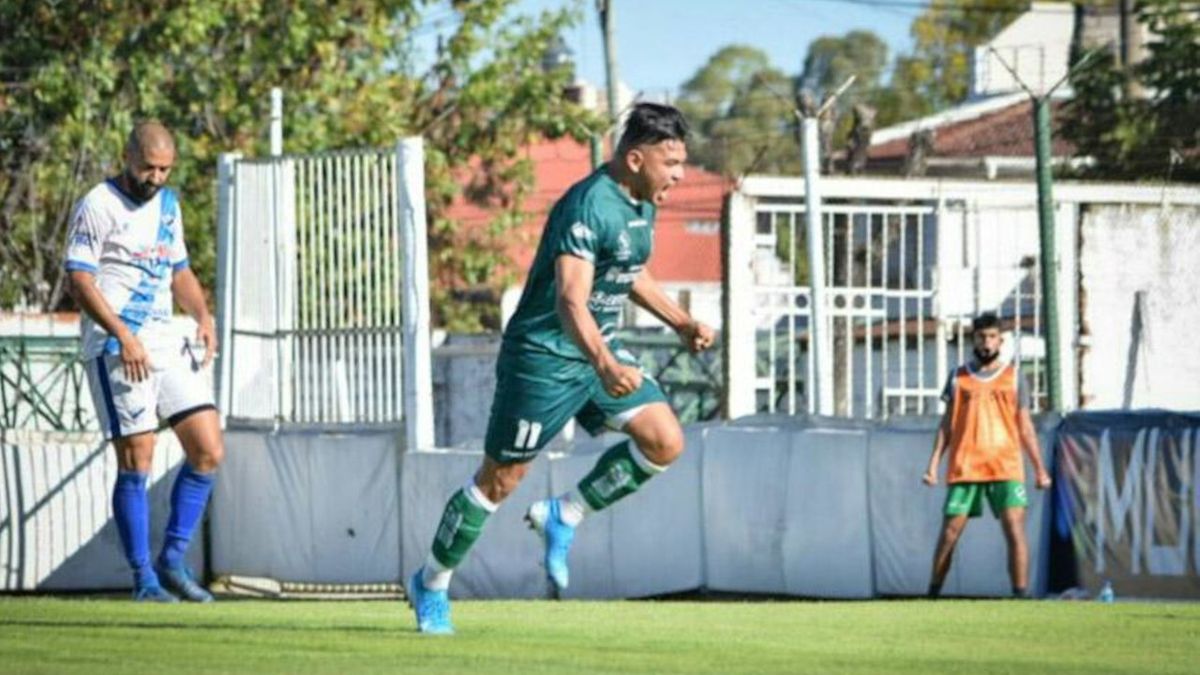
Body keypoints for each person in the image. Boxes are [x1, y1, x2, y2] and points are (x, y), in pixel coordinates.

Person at [408, 103, 714, 634]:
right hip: (545, 358)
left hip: (598, 350)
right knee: (500, 481)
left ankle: (564, 514)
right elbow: (572, 302)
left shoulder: (643, 202)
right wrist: (606, 363)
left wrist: (680, 321)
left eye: (682, 162)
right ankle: (431, 582)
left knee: (664, 440)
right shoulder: (586, 205)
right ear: (636, 158)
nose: (679, 174)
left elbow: (628, 269)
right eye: (671, 162)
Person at [64, 121, 224, 603]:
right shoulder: (99, 204)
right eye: (148, 167)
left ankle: (173, 561)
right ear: (127, 157)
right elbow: (80, 278)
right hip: (117, 346)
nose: (155, 177)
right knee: (138, 459)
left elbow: (179, 271)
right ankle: (143, 579)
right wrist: (122, 335)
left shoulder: (168, 206)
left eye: (164, 169)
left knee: (208, 449)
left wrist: (201, 314)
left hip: (164, 338)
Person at [922, 312, 1052, 599]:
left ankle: (1020, 596)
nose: (987, 342)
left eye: (992, 336)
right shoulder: (958, 377)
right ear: (973, 339)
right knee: (950, 533)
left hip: (1006, 465)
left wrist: (1040, 469)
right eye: (981, 336)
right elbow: (947, 424)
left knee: (1014, 529)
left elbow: (1025, 425)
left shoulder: (1014, 377)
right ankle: (932, 594)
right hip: (966, 465)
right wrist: (933, 465)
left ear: (1001, 340)